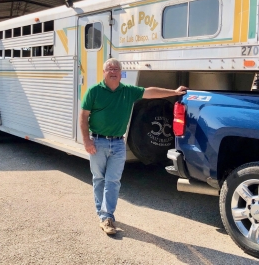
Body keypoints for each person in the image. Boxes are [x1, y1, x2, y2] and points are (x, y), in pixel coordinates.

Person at [80, 58, 187, 235]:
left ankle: (107, 216)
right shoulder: (94, 91)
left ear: (121, 73)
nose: (113, 71)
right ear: (104, 72)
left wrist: (173, 92)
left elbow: (150, 92)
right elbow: (83, 117)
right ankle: (102, 214)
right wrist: (86, 141)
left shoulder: (127, 91)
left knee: (113, 181)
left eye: (116, 68)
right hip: (98, 142)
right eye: (109, 68)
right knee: (99, 179)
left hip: (118, 143)